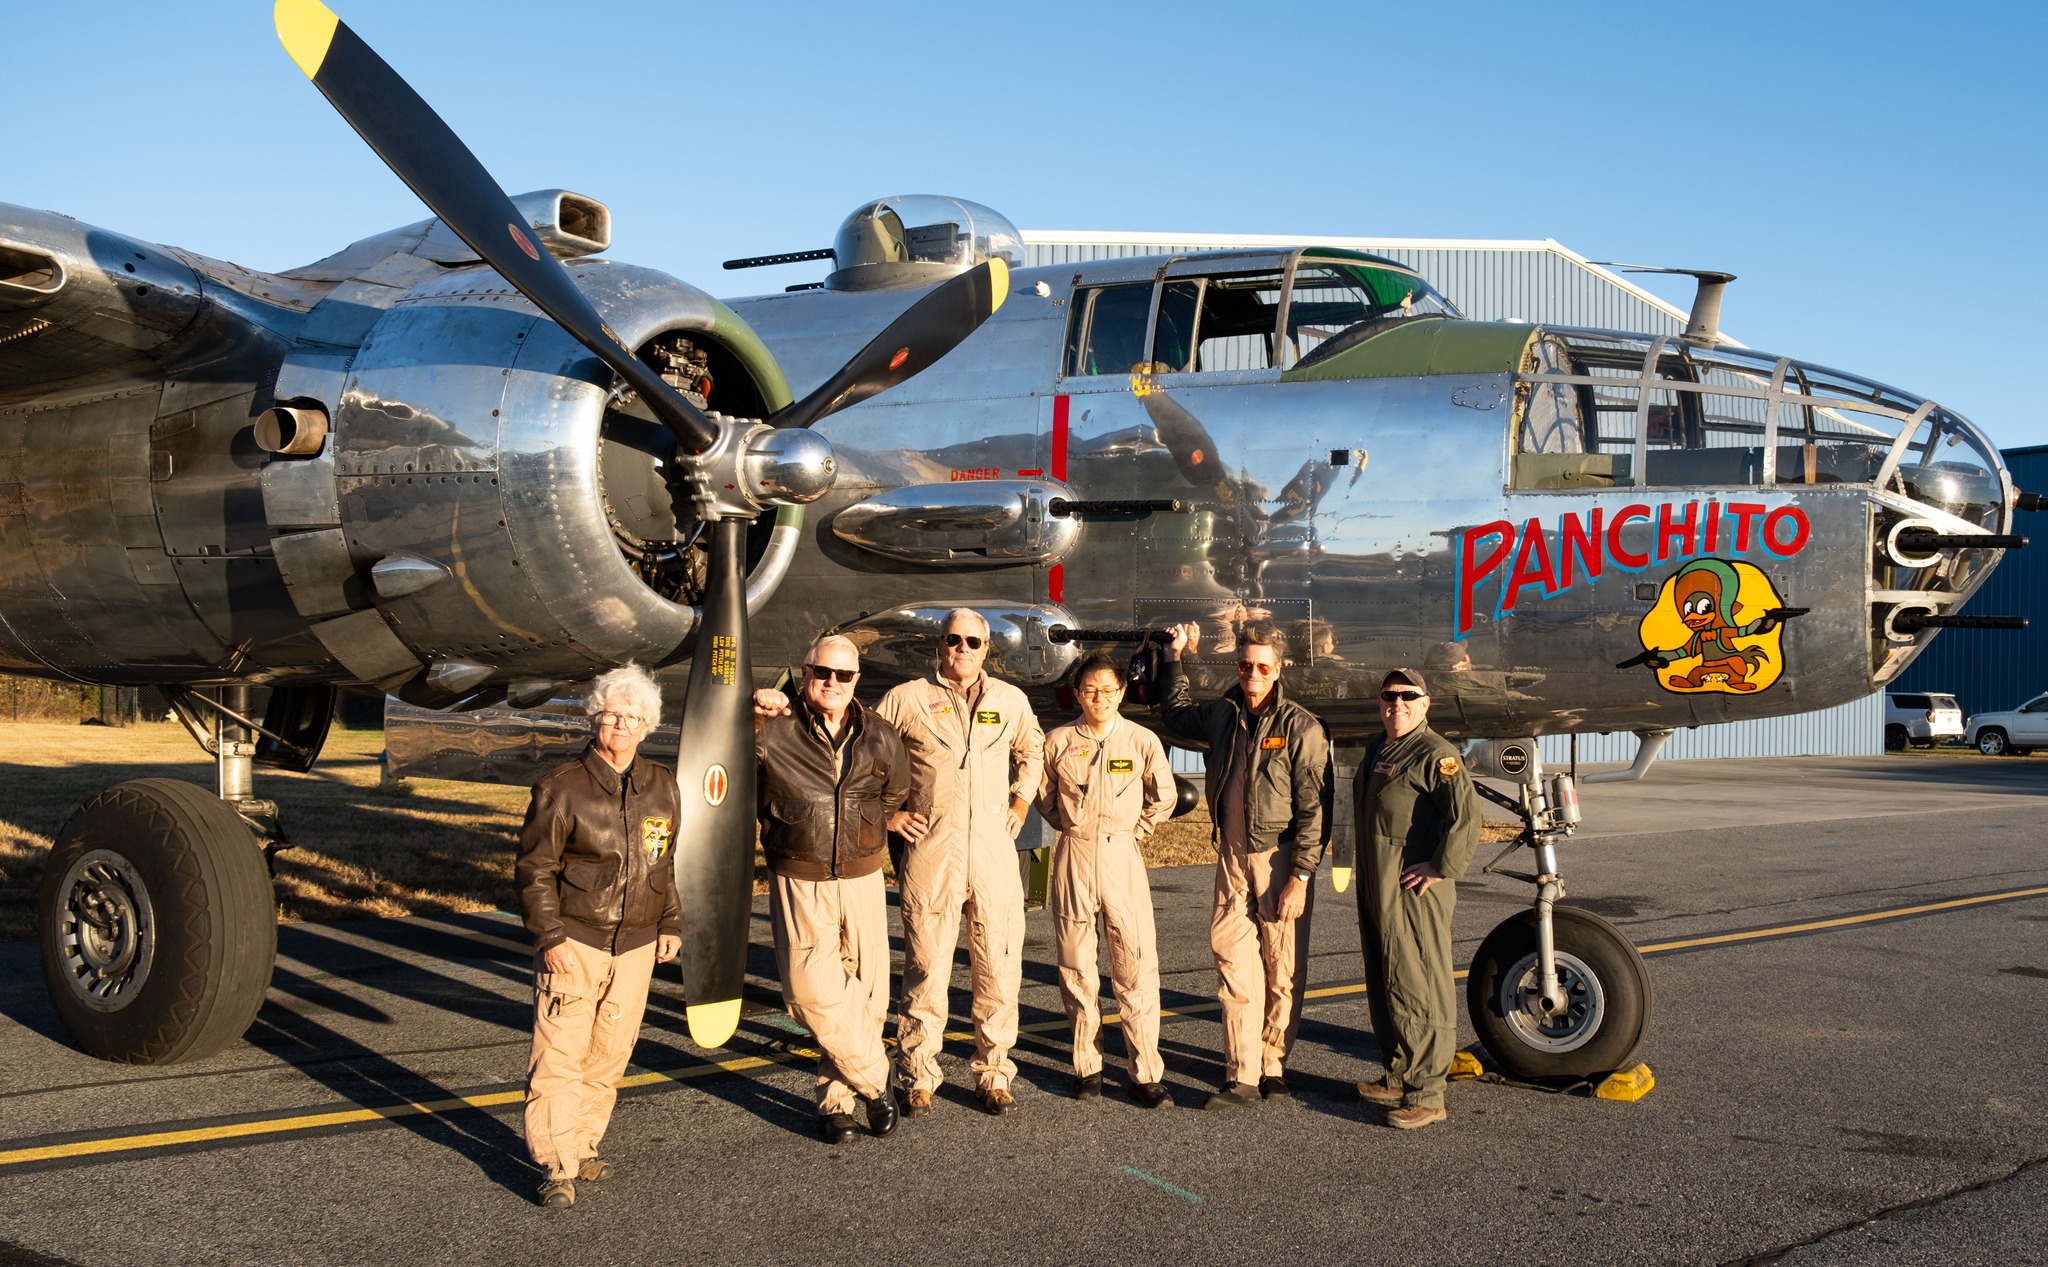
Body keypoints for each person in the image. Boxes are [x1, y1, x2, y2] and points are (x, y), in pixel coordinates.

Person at [515, 664, 682, 1209]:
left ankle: (583, 1142)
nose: (622, 726)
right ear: (596, 718)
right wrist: (549, 935)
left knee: (609, 1053)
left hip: (635, 945)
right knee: (560, 1051)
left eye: (633, 718)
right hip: (576, 941)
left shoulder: (662, 785)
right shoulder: (561, 789)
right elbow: (535, 868)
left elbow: (663, 863)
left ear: (647, 725)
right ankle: (555, 1163)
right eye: (613, 715)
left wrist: (671, 921)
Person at [874, 609, 1045, 1117]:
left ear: (986, 649)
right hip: (932, 852)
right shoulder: (907, 699)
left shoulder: (1009, 701)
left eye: (973, 640)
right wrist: (889, 814)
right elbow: (868, 754)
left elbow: (1032, 749)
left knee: (999, 967)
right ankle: (918, 1075)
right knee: (927, 967)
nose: (963, 648)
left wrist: (1020, 802)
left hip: (994, 853)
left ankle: (993, 1074)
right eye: (954, 639)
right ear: (940, 645)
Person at [1155, 619, 1330, 1110]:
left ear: (1277, 671)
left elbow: (1316, 810)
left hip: (1278, 857)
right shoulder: (1224, 714)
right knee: (1233, 962)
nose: (1252, 673)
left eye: (1262, 667)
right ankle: (1241, 1076)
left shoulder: (1301, 727)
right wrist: (1174, 659)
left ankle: (1273, 1063)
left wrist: (1299, 876)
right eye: (1245, 665)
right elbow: (1176, 713)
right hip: (1231, 857)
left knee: (1281, 969)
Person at [753, 635, 908, 1145]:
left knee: (863, 994)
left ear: (857, 680)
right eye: (822, 672)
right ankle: (877, 1081)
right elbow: (728, 770)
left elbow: (895, 792)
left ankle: (836, 1103)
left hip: (862, 875)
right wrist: (753, 712)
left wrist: (881, 824)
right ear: (804, 672)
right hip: (800, 873)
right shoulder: (772, 729)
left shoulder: (880, 734)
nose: (832, 683)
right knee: (808, 989)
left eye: (844, 675)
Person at [1037, 651, 1177, 1107]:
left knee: (1134, 966)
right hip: (1074, 854)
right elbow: (1045, 797)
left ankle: (1145, 1072)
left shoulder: (1141, 741)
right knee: (1077, 968)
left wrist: (1136, 831)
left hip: (1123, 856)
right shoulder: (1057, 741)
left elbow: (1165, 794)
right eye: (1091, 690)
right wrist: (1072, 828)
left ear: (1122, 693)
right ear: (1077, 694)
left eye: (1109, 690)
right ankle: (1088, 1066)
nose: (1100, 698)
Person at [1352, 668, 1480, 1130]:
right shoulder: (1379, 749)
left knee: (1417, 982)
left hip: (1412, 890)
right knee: (1384, 976)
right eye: (1389, 695)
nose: (1397, 703)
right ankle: (1399, 1073)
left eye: (1409, 696)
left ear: (1426, 703)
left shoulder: (1435, 755)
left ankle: (1428, 1092)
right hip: (1378, 885)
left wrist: (1441, 867)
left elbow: (1465, 819)